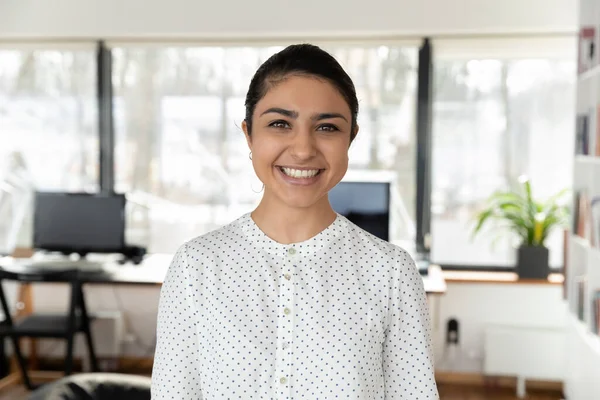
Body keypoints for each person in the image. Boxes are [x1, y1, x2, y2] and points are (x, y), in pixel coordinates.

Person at [151, 43, 439, 399]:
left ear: (351, 138)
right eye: (279, 123)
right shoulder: (196, 267)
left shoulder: (391, 273)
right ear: (249, 135)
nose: (303, 149)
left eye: (327, 128)